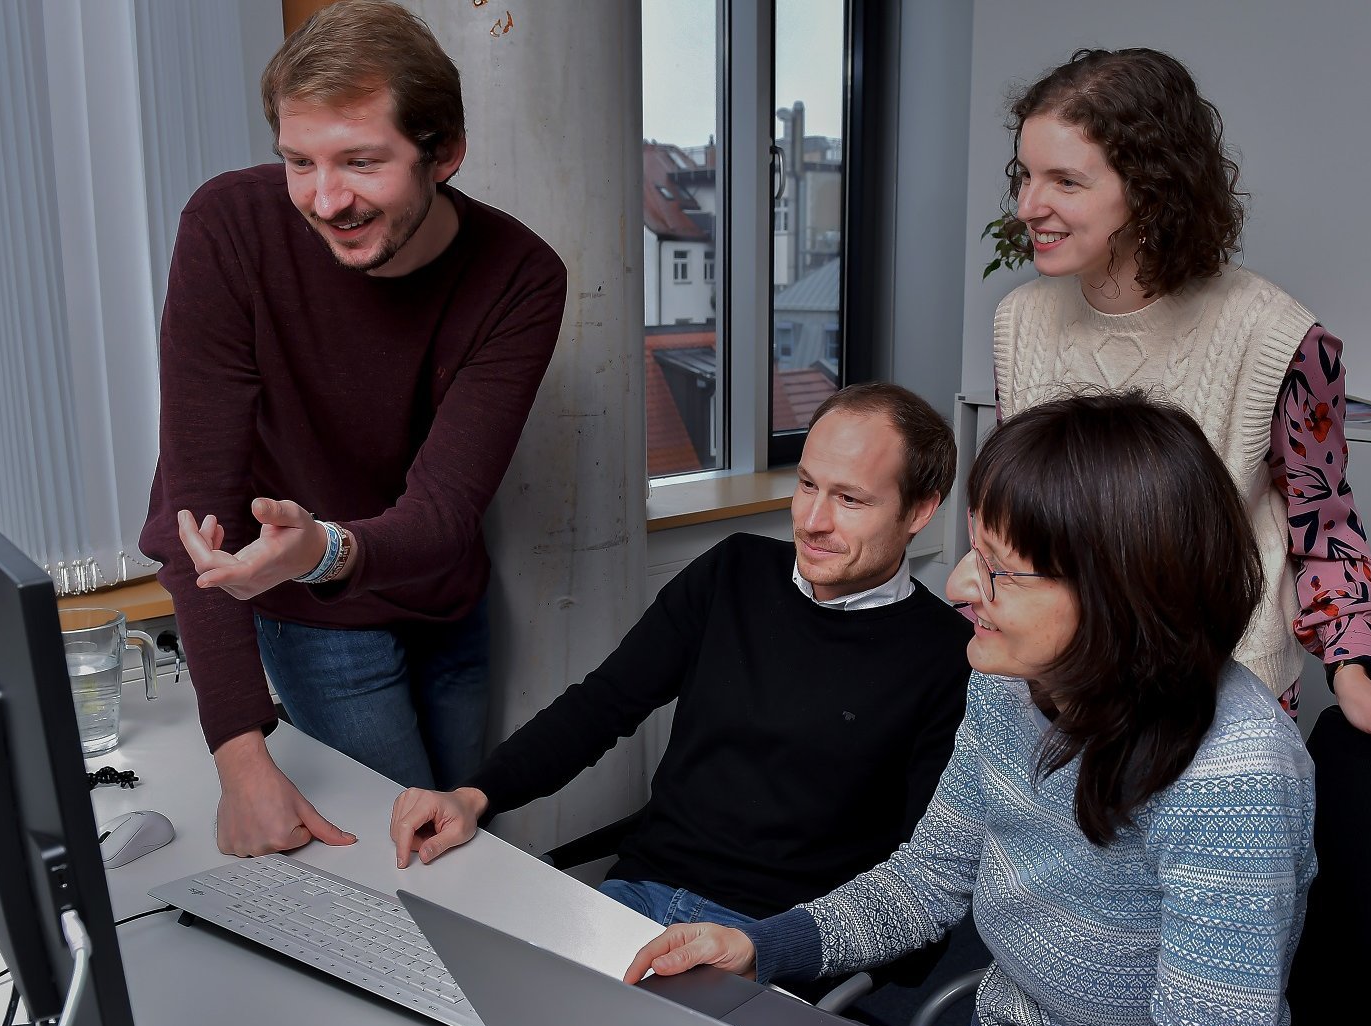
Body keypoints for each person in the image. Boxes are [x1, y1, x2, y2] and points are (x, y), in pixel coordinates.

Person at [629, 392, 1318, 1026]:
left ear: (1121, 593)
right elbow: (926, 881)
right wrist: (759, 947)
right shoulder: (1008, 682)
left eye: (998, 568)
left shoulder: (1236, 778)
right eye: (972, 551)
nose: (960, 585)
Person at [138, 0, 568, 857]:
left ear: (443, 153)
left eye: (361, 162)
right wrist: (240, 757)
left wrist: (325, 549)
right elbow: (200, 513)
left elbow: (443, 511)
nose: (325, 199)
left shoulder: (520, 276)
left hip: (445, 600)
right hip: (312, 620)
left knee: (465, 846)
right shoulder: (230, 228)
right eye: (299, 161)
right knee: (396, 867)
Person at [388, 384, 973, 933]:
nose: (812, 521)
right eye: (806, 485)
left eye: (849, 499)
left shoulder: (946, 655)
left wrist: (783, 952)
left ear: (921, 511)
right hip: (642, 892)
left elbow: (921, 874)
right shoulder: (735, 570)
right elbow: (603, 703)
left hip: (772, 938)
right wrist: (474, 793)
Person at [986, 47, 1371, 757]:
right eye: (1026, 175)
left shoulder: (1280, 338)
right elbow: (1018, 516)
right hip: (1058, 686)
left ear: (1150, 188)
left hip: (1217, 697)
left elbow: (1325, 528)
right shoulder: (1020, 321)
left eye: (1064, 181)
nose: (1028, 207)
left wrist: (1355, 674)